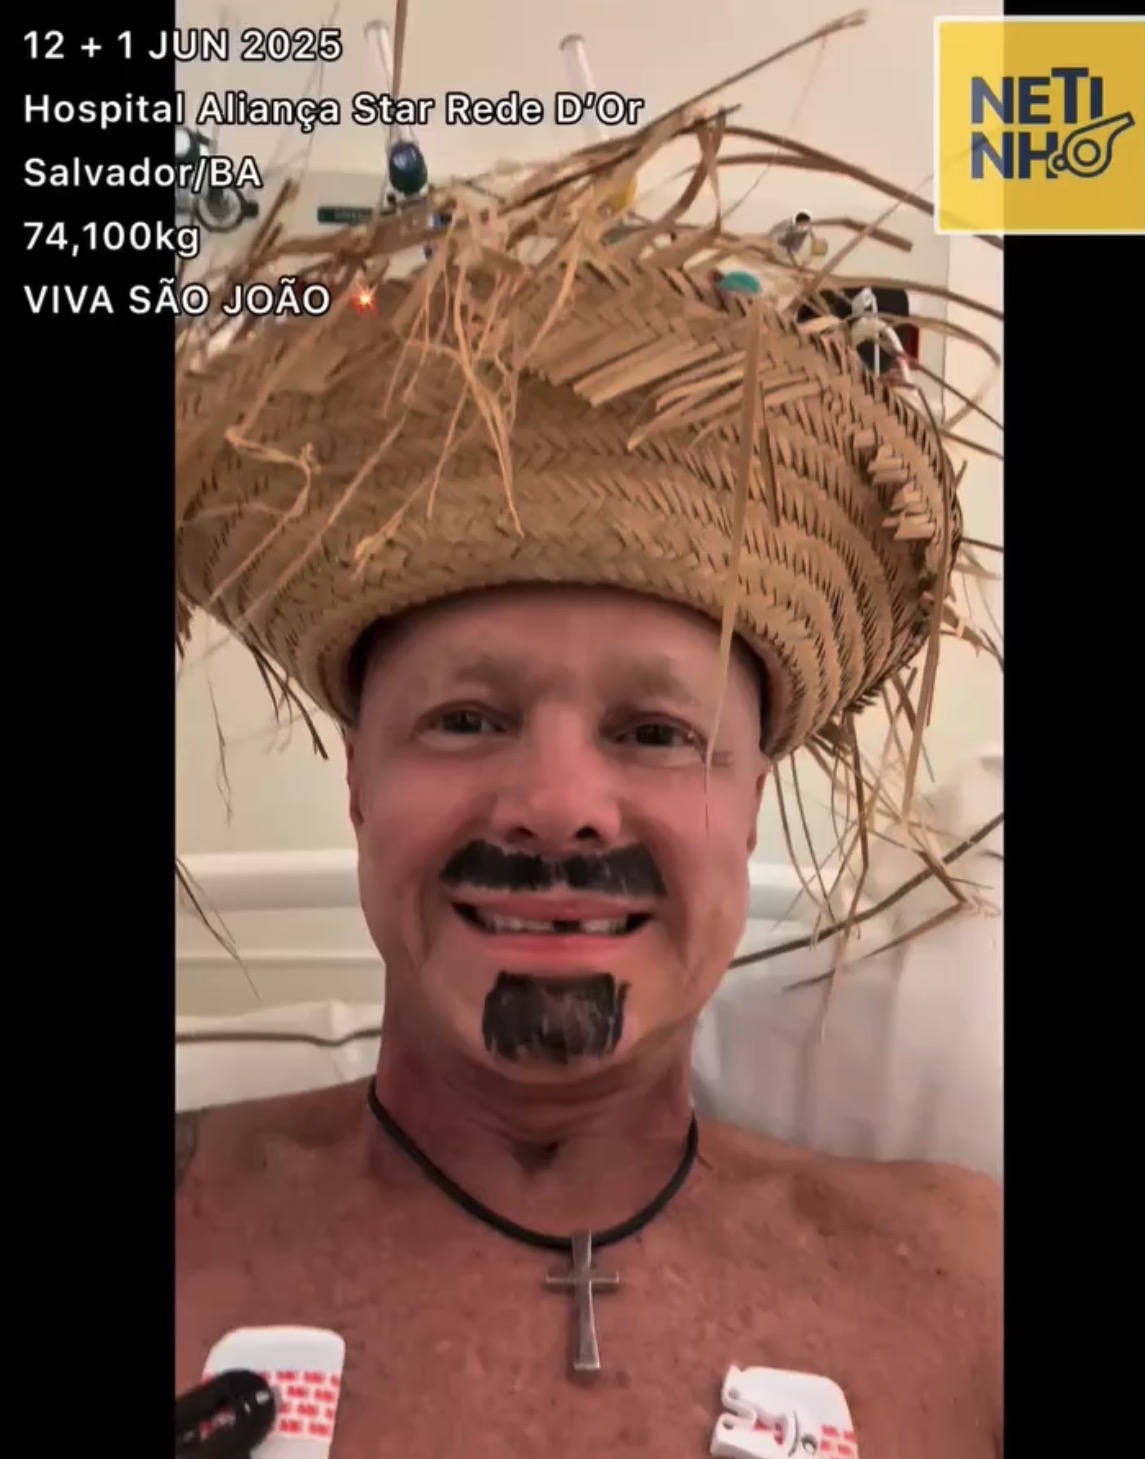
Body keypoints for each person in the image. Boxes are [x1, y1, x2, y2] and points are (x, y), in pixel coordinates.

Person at [175, 34, 1001, 1459]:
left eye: (655, 732)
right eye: (467, 719)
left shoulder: (964, 1293)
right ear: (358, 778)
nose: (559, 806)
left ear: (751, 801)